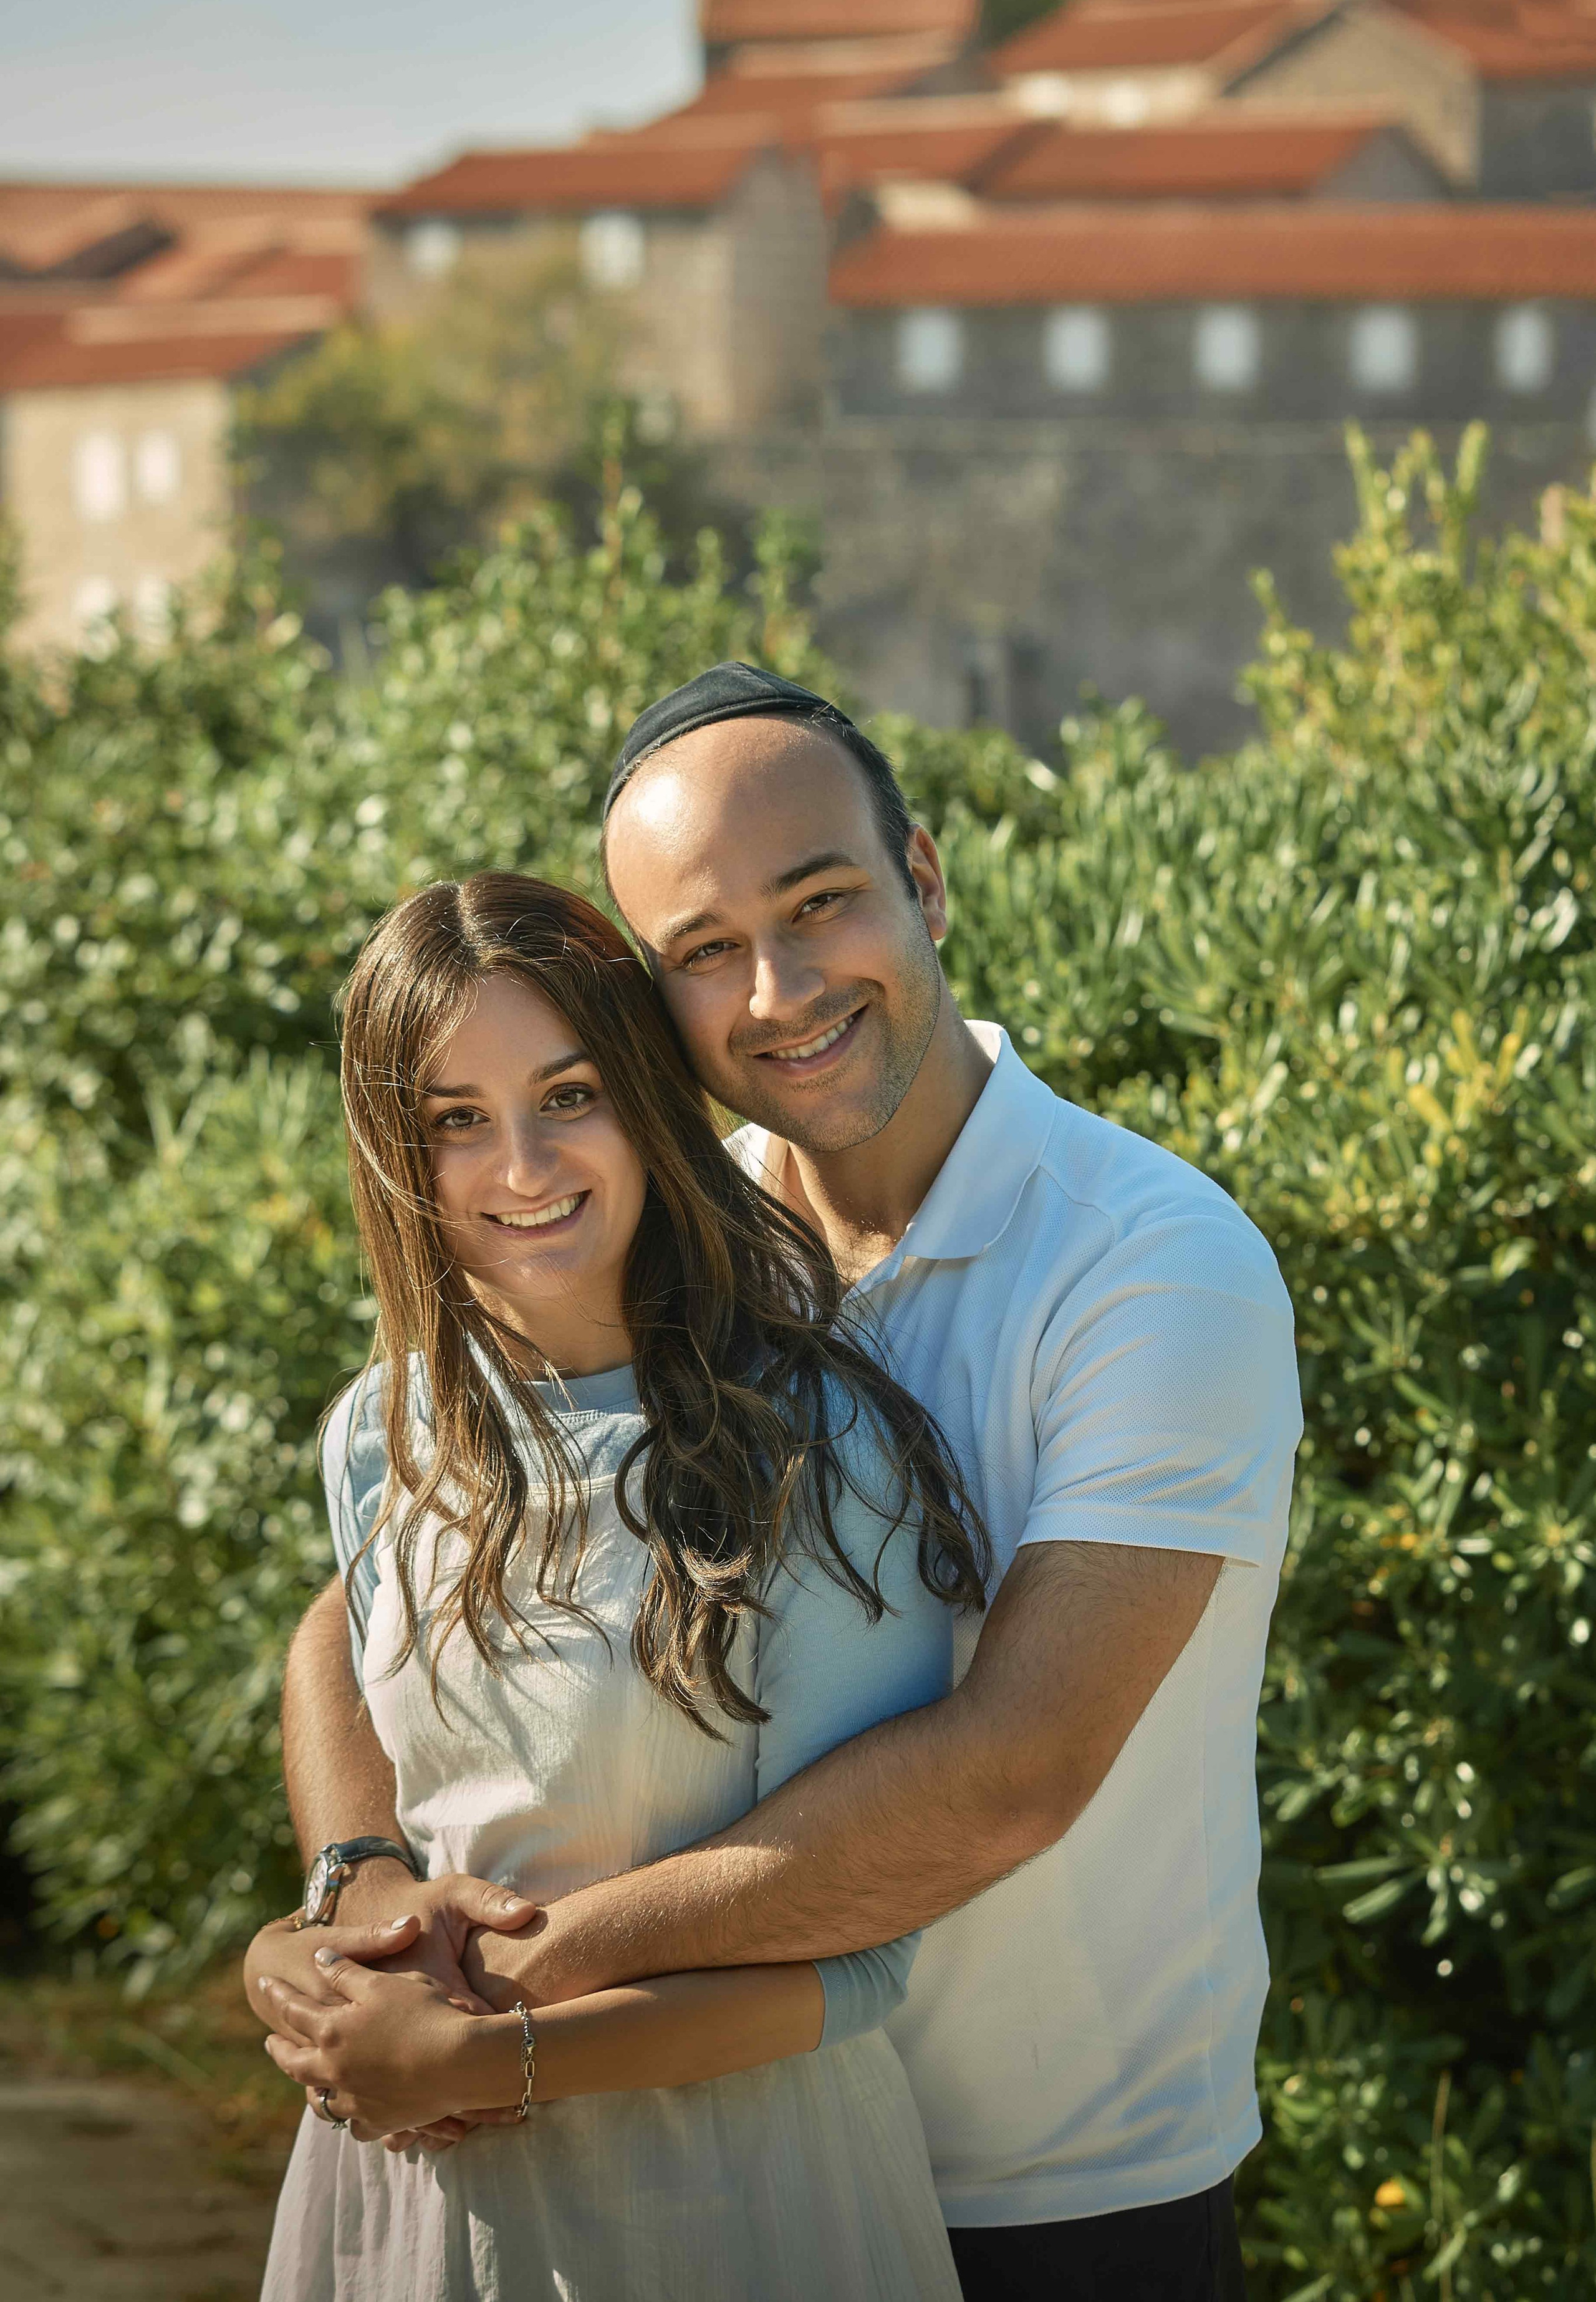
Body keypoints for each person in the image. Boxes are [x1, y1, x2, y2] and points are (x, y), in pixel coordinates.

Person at [251, 666, 1303, 2301]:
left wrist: (504, 1976)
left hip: (1056, 2180)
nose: (780, 986)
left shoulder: (1151, 1266)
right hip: (700, 2170)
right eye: (703, 952)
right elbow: (368, 1588)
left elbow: (1011, 1770)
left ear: (927, 880)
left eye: (821, 903)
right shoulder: (671, 1225)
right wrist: (357, 1887)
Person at [251, 870, 990, 2301]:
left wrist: (501, 2057)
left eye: (567, 1095)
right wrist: (302, 1949)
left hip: (734, 2207)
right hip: (401, 2207)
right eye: (455, 1120)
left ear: (648, 1102)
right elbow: (359, 1685)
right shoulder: (379, 1430)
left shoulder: (822, 1449)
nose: (517, 1164)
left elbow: (859, 1960)